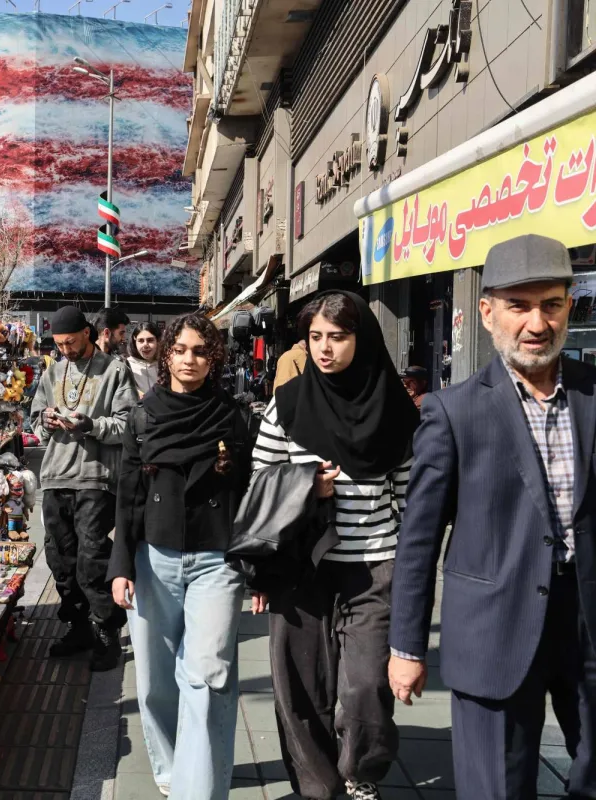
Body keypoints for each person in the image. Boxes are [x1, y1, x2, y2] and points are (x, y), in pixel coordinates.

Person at [388, 234, 596, 799]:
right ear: (487, 312)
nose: (537, 323)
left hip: (585, 624)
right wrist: (406, 647)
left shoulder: (591, 395)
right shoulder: (453, 411)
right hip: (494, 630)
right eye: (518, 306)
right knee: (497, 789)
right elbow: (419, 540)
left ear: (569, 306)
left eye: (551, 305)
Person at [251, 292, 420, 800]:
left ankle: (360, 771)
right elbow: (261, 484)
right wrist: (308, 487)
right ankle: (317, 786)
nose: (325, 348)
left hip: (374, 565)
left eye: (338, 337)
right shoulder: (287, 405)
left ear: (362, 340)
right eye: (316, 338)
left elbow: (409, 501)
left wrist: (412, 575)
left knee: (366, 685)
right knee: (301, 686)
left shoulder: (395, 412)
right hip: (301, 568)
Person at [110, 312, 251, 799]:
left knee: (209, 676)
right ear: (166, 354)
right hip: (154, 558)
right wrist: (120, 566)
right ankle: (171, 771)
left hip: (218, 560)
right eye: (181, 349)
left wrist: (257, 568)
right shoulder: (143, 417)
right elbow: (128, 496)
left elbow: (249, 493)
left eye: (200, 351)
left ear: (214, 359)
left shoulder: (234, 417)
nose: (189, 360)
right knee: (155, 682)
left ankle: (199, 790)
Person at [29, 305, 136, 672]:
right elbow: (35, 422)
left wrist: (90, 425)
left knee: (92, 558)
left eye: (70, 342)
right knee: (61, 558)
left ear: (87, 334)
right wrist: (45, 421)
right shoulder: (52, 372)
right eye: (59, 344)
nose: (65, 350)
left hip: (96, 477)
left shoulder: (114, 371)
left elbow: (127, 425)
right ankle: (78, 626)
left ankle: (106, 630)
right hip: (55, 476)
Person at [126, 321, 161, 398]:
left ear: (158, 341)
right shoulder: (126, 366)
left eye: (150, 340)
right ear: (135, 341)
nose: (145, 345)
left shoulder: (165, 365)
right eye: (141, 341)